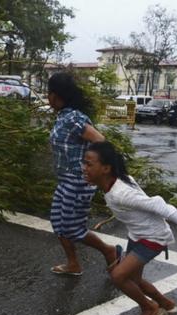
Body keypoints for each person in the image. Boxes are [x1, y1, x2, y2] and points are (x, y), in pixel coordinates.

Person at [83, 141, 177, 315]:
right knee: (133, 279)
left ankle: (149, 308)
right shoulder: (114, 182)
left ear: (106, 168)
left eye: (89, 164)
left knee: (119, 276)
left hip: (153, 237)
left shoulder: (121, 193)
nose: (84, 168)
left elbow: (158, 204)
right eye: (85, 163)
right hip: (138, 235)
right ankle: (166, 304)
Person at [48, 72, 120, 276]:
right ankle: (73, 264)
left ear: (54, 95)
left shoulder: (74, 118)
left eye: (49, 93)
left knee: (71, 227)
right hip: (65, 179)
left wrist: (93, 170)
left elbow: (101, 141)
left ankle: (109, 251)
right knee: (58, 222)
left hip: (78, 181)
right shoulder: (64, 116)